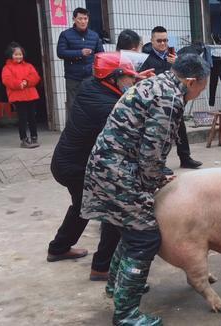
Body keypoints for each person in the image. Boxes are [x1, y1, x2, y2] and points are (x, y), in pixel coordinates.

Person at [81, 53, 210, 325]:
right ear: (190, 81)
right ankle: (126, 314)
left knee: (128, 230)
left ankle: (116, 287)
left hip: (107, 165)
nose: (200, 92)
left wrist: (157, 173)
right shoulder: (169, 98)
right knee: (144, 237)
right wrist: (155, 180)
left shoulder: (157, 83)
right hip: (118, 172)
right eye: (202, 86)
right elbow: (151, 152)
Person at [47, 31, 154, 283]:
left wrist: (137, 78)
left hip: (70, 162)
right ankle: (101, 267)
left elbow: (123, 92)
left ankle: (59, 248)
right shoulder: (104, 106)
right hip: (75, 166)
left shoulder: (94, 85)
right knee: (111, 210)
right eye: (127, 75)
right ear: (113, 77)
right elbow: (133, 110)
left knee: (81, 207)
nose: (131, 79)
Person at [141, 26, 203, 170]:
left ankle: (185, 158)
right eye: (159, 41)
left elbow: (186, 76)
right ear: (152, 41)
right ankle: (159, 164)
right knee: (159, 134)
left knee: (180, 128)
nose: (163, 44)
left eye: (165, 40)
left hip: (174, 99)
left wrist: (178, 64)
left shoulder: (174, 56)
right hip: (155, 103)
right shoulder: (146, 58)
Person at [57, 7, 104, 117]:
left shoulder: (94, 35)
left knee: (91, 104)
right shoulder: (65, 35)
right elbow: (60, 53)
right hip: (73, 77)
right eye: (80, 19)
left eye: (85, 18)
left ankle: (89, 131)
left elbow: (101, 55)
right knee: (73, 106)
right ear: (74, 19)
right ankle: (71, 132)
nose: (83, 21)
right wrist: (80, 53)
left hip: (90, 77)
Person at [1, 42, 41, 148]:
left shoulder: (29, 66)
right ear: (11, 55)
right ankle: (24, 139)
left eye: (20, 54)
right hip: (18, 97)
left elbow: (36, 77)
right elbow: (7, 80)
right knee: (22, 118)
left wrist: (26, 82)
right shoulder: (7, 68)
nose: (19, 56)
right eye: (16, 54)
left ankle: (34, 137)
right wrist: (20, 84)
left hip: (30, 95)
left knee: (32, 117)